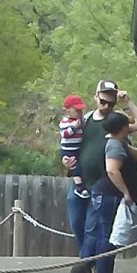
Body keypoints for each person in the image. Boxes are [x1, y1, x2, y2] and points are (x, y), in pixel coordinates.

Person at [75, 80, 137, 273]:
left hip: (102, 187)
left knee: (97, 231)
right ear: (96, 96)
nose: (107, 105)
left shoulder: (118, 122)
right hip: (95, 185)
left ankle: (89, 272)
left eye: (111, 102)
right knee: (102, 233)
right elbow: (111, 168)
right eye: (103, 100)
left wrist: (128, 103)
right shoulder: (88, 121)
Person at [58, 95, 89, 252]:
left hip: (81, 157)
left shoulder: (85, 121)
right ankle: (79, 186)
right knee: (77, 220)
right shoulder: (66, 123)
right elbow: (64, 137)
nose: (79, 113)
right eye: (76, 110)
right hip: (70, 151)